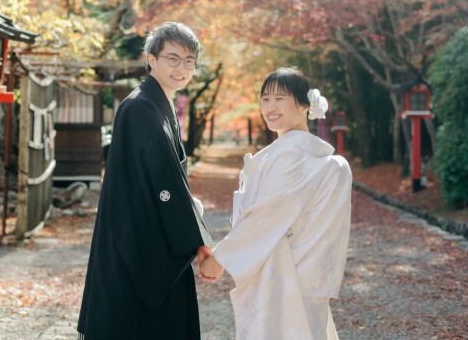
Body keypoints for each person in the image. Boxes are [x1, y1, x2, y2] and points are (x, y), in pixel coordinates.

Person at [77, 22, 213, 340]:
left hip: (147, 234)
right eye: (172, 58)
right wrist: (201, 242)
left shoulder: (155, 104)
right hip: (138, 245)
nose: (182, 68)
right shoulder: (141, 108)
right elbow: (164, 183)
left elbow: (167, 181)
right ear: (150, 58)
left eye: (189, 61)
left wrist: (192, 218)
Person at [199, 67, 352, 340]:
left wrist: (220, 258)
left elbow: (265, 218)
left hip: (283, 274)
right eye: (265, 99)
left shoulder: (292, 154)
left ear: (305, 105)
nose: (270, 106)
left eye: (280, 98)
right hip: (298, 272)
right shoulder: (300, 150)